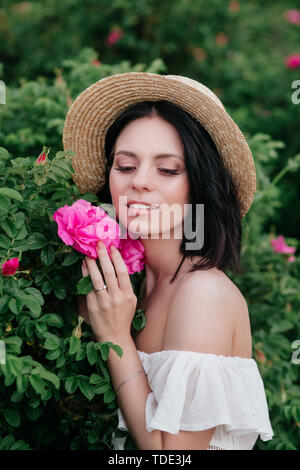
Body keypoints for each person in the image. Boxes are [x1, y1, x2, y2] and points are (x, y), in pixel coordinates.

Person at [63, 72, 274, 450]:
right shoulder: (134, 285)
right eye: (125, 166)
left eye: (167, 169)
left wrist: (115, 338)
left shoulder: (203, 294)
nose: (140, 182)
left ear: (199, 184)